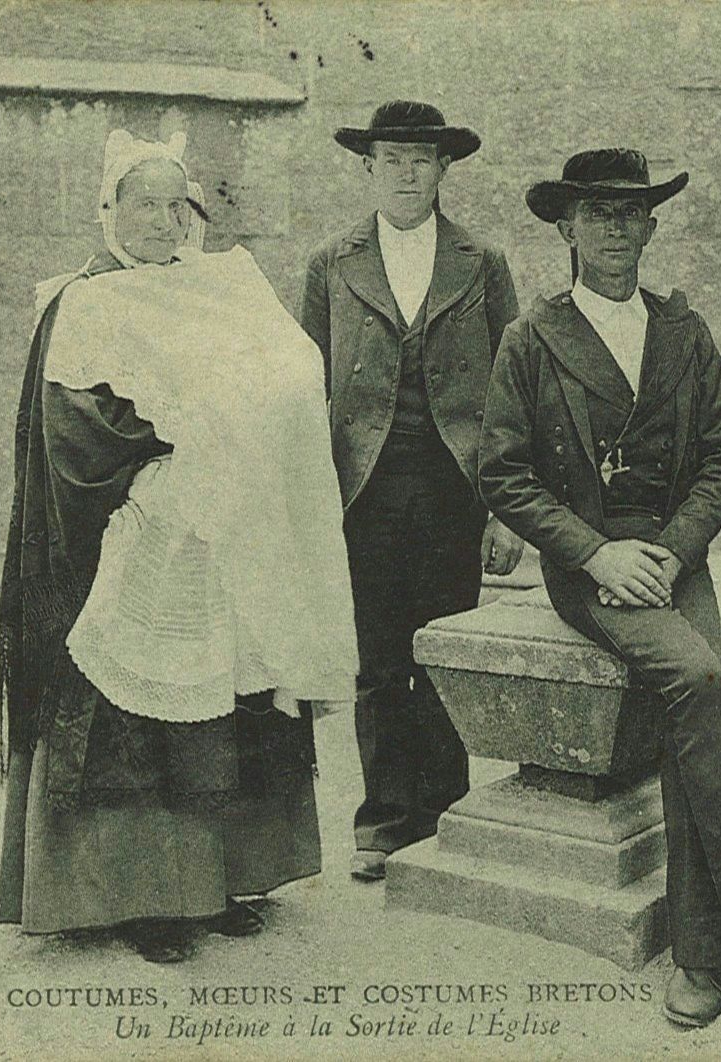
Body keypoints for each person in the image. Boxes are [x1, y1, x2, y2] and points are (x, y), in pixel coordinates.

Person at [0, 130, 357, 963]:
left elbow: (275, 387)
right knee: (139, 719)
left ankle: (219, 881)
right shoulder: (83, 302)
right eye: (145, 205)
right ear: (111, 210)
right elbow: (73, 431)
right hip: (134, 539)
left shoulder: (216, 289)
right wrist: (175, 447)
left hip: (226, 536)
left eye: (176, 205)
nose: (163, 221)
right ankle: (143, 898)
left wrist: (251, 437)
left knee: (225, 703)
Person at [478, 148, 721, 1028]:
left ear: (653, 228)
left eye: (631, 213)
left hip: (670, 557)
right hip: (588, 568)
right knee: (698, 677)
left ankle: (701, 964)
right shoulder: (531, 338)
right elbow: (504, 474)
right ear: (566, 228)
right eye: (597, 213)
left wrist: (671, 549)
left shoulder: (683, 333)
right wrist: (595, 555)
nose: (616, 229)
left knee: (697, 697)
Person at [300, 100, 522, 882]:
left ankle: (448, 817)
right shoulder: (331, 263)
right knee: (378, 660)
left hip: (454, 488)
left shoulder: (482, 260)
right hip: (365, 490)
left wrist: (504, 512)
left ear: (443, 170)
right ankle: (385, 823)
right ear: (367, 169)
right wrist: (312, 506)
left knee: (445, 652)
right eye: (391, 159)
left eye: (420, 160)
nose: (405, 174)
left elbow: (512, 392)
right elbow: (307, 386)